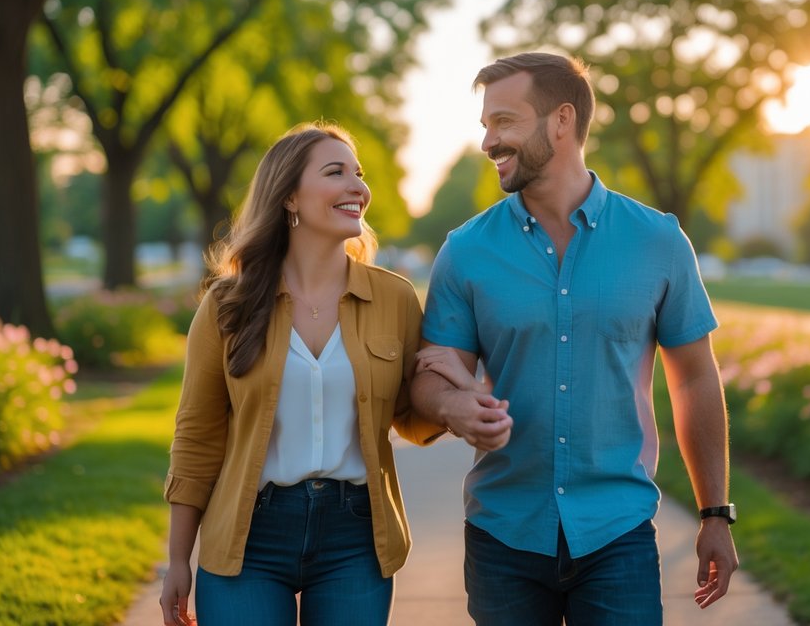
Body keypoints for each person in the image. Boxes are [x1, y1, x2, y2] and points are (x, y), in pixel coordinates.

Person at [411, 52, 739, 625]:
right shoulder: (465, 251)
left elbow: (694, 378)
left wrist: (714, 512)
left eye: (504, 121)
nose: (488, 141)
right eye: (485, 124)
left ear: (562, 120)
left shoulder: (658, 240)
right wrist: (453, 405)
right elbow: (433, 374)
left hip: (618, 535)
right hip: (502, 537)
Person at [160, 122, 462, 626]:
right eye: (335, 172)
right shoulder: (227, 305)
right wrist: (176, 560)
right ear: (290, 198)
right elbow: (196, 436)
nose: (358, 188)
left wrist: (453, 394)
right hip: (247, 536)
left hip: (355, 536)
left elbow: (411, 418)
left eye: (359, 174)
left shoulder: (394, 298)